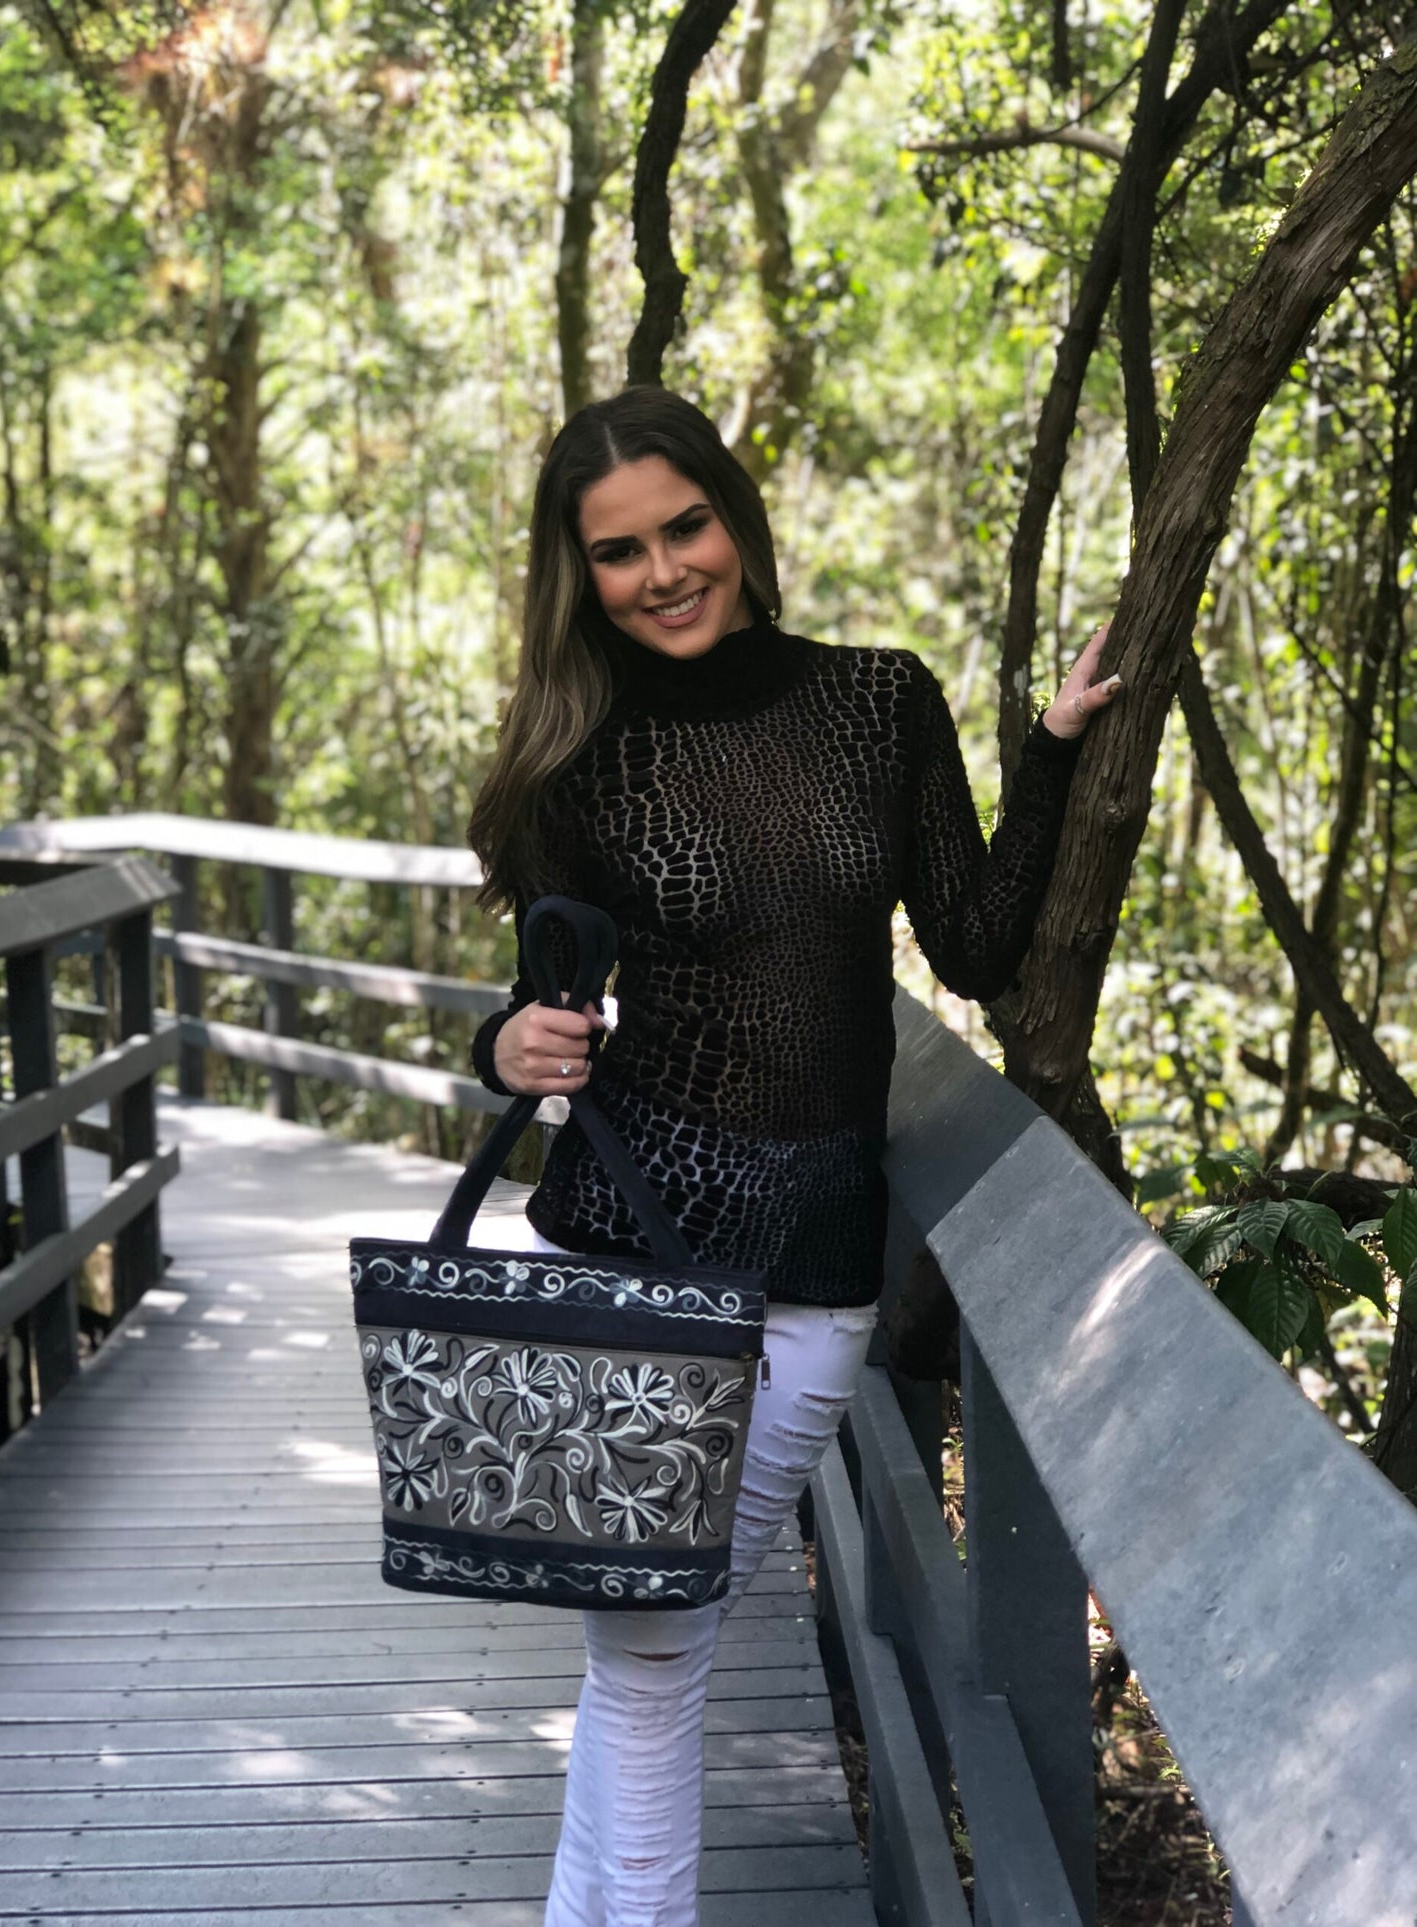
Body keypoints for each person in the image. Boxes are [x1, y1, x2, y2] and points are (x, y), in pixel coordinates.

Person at [465, 386, 1121, 1926]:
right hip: (628, 1244)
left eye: (683, 527)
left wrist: (1047, 758)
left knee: (650, 1647)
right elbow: (537, 999)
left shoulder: (878, 701)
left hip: (816, 1259)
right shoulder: (581, 758)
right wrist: (510, 1047)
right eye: (618, 553)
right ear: (584, 577)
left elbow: (968, 945)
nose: (663, 571)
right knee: (652, 1649)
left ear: (737, 522)